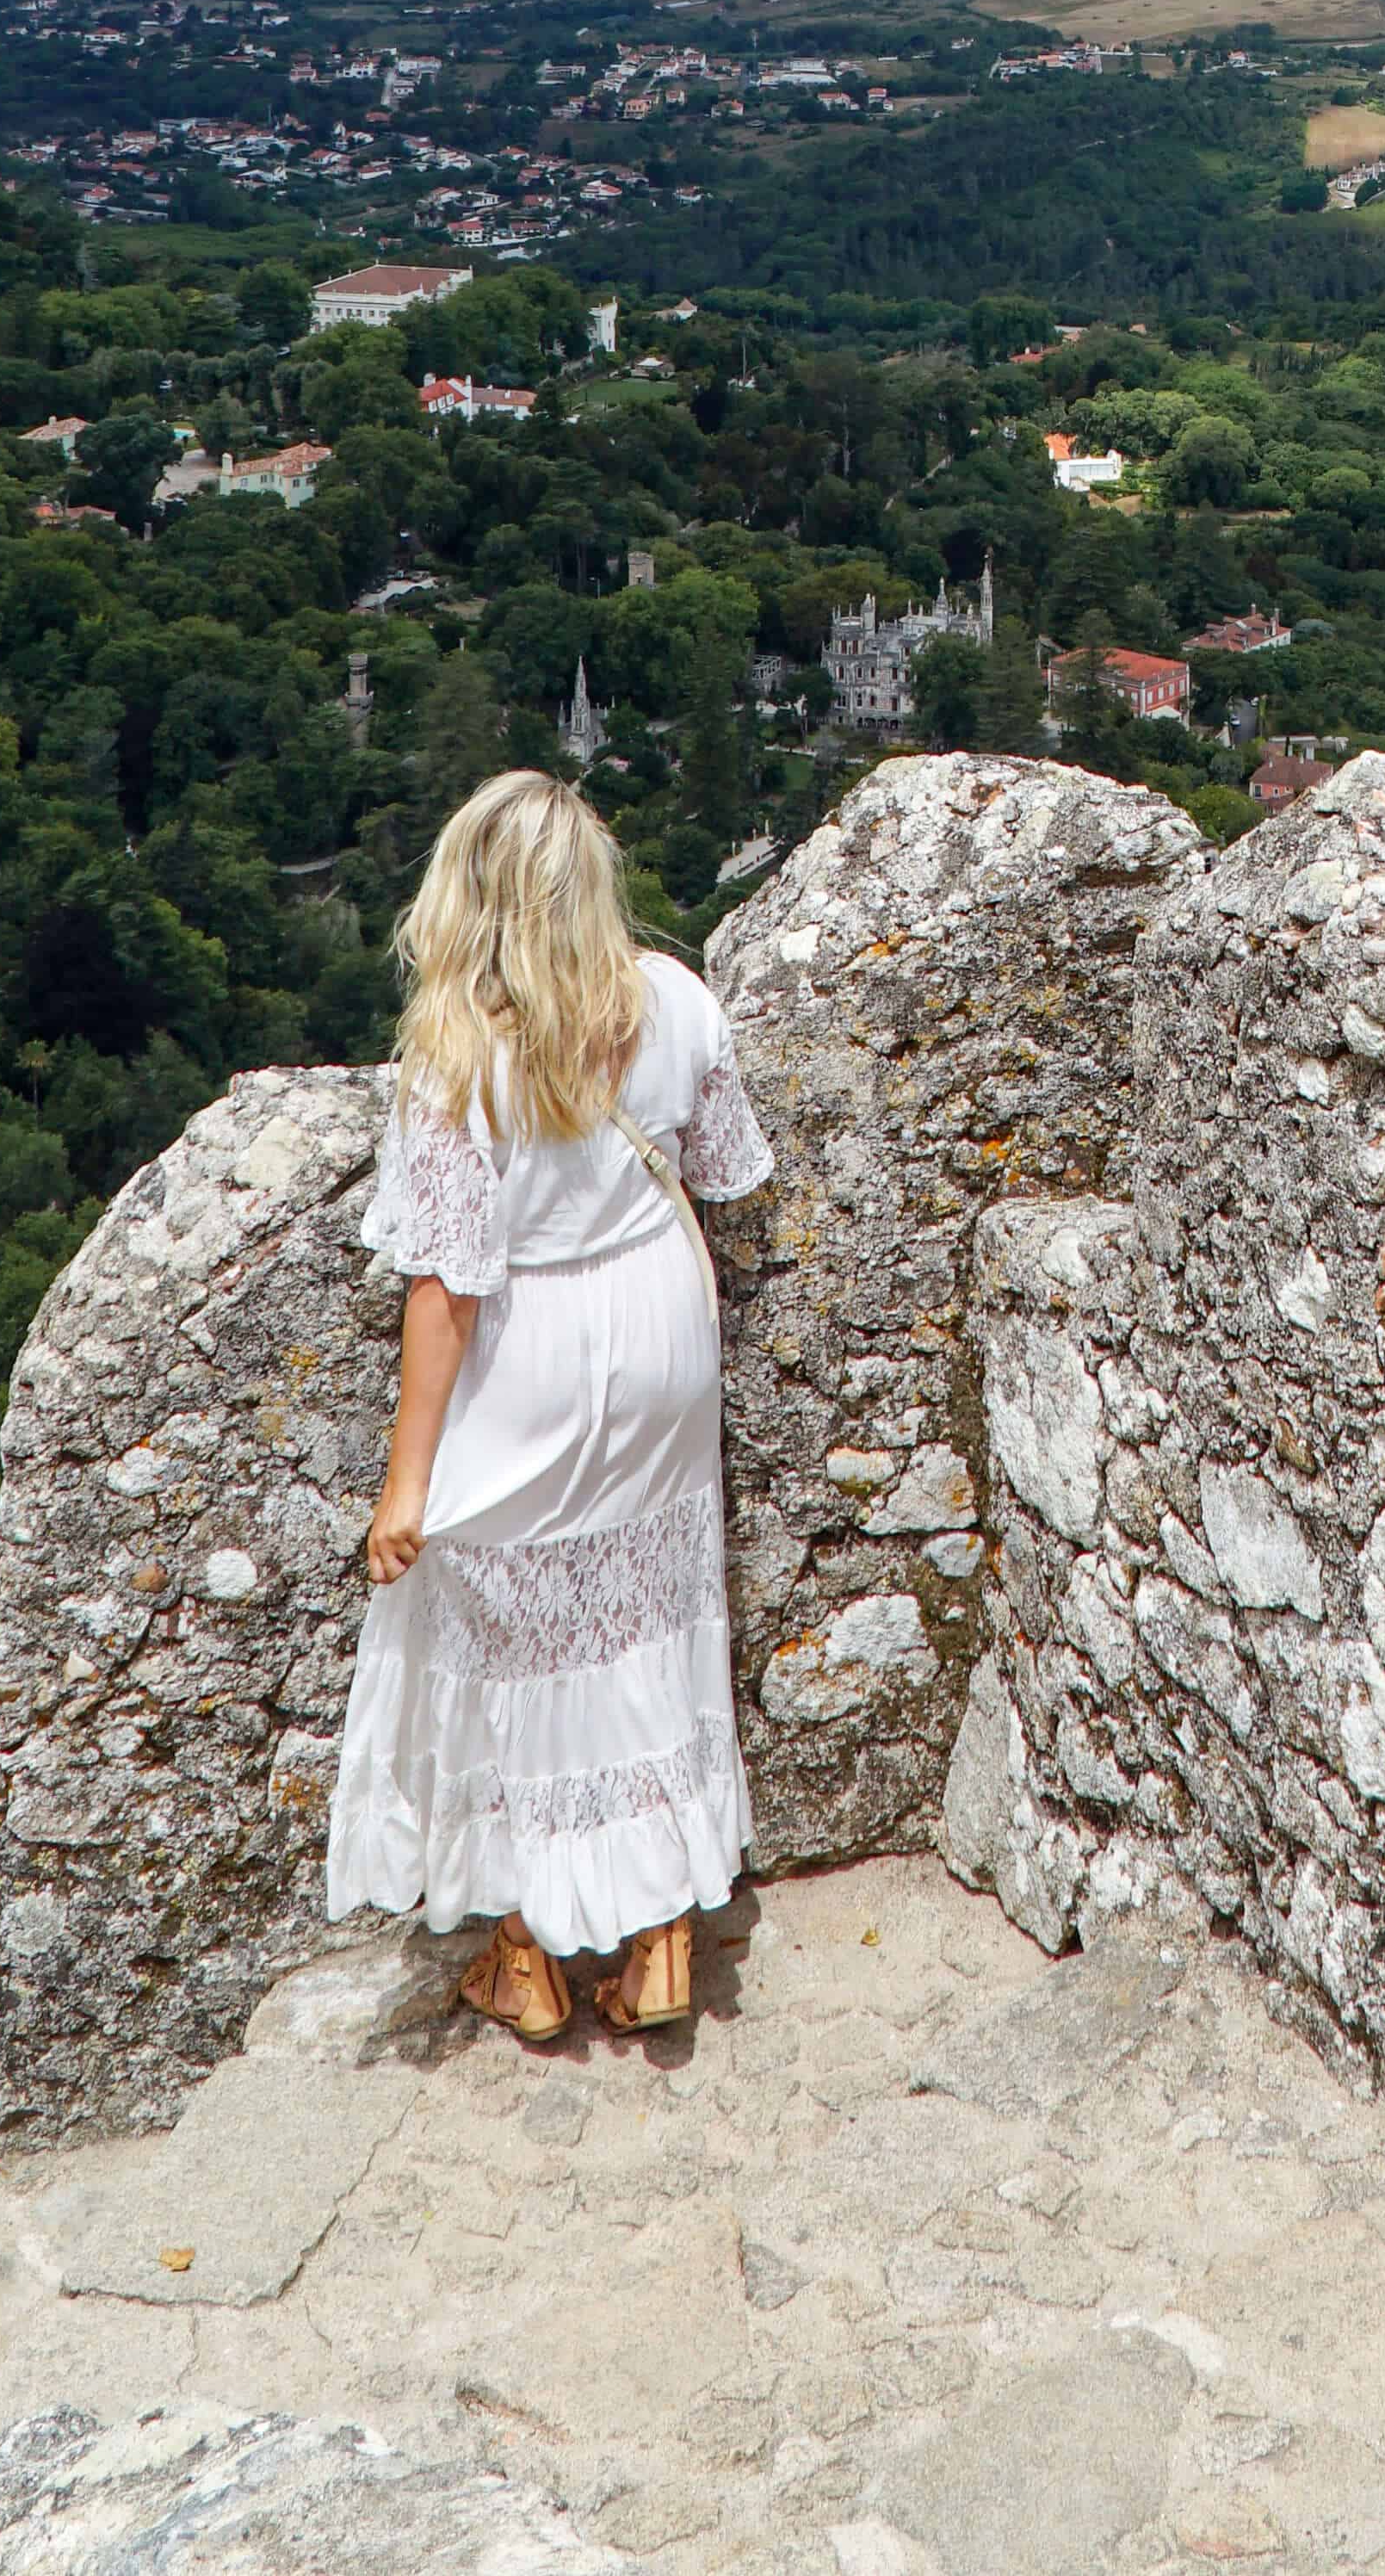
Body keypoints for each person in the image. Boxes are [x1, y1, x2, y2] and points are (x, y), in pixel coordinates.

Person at [326, 768, 773, 2039]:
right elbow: (730, 1169)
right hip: (661, 1329)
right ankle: (664, 1935)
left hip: (535, 1347)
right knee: (649, 1621)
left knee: (504, 1636)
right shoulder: (678, 1003)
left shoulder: (461, 1061)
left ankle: (526, 1950)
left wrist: (406, 1487)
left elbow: (447, 1292)